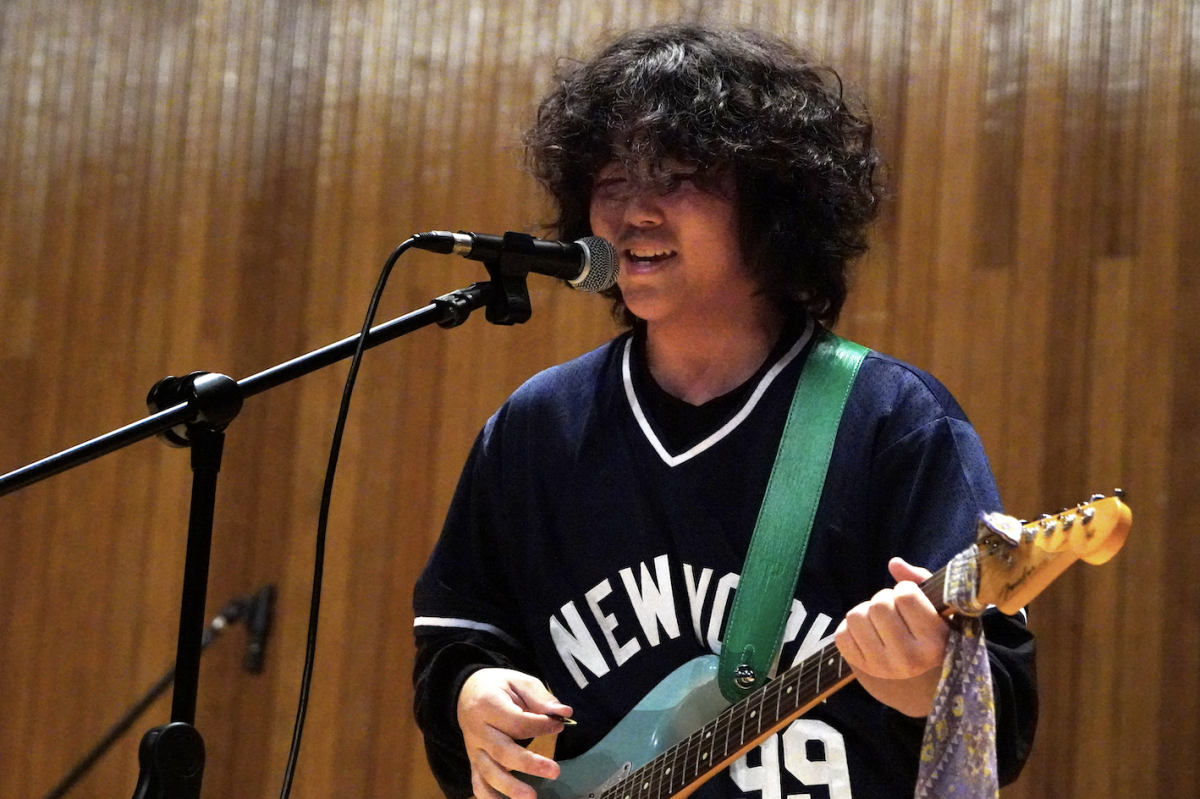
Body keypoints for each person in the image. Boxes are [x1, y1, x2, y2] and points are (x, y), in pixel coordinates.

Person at [412, 23, 1037, 799]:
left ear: (773, 206)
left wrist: (921, 677)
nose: (634, 211)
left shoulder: (890, 420)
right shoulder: (540, 427)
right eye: (610, 182)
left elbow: (999, 721)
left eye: (675, 177)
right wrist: (472, 697)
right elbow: (461, 635)